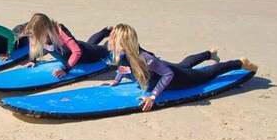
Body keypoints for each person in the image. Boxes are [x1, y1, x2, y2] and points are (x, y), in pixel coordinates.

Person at [105, 24, 257, 112]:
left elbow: (168, 75)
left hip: (178, 79)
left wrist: (152, 96)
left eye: (112, 38)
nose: (109, 41)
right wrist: (117, 80)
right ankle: (210, 54)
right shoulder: (122, 54)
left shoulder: (146, 59)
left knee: (206, 74)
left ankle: (240, 62)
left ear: (122, 42)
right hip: (164, 70)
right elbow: (125, 68)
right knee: (184, 64)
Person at [22, 13, 111, 78]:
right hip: (76, 47)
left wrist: (66, 69)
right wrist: (32, 60)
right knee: (89, 45)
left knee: (106, 49)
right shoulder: (34, 32)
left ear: (45, 29)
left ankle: (114, 37)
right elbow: (33, 43)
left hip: (86, 56)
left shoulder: (60, 31)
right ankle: (105, 31)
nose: (34, 36)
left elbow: (77, 51)